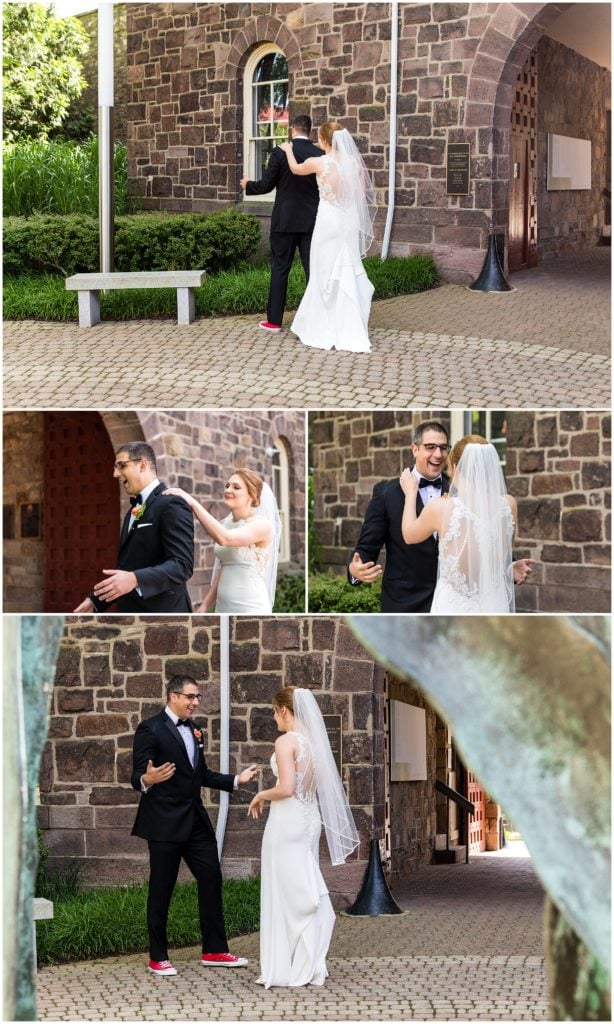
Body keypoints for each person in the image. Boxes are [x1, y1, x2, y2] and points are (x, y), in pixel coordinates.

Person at [131, 675, 260, 976]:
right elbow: (137, 775)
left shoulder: (197, 731)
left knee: (212, 878)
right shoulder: (150, 728)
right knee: (162, 888)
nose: (195, 702)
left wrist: (236, 780)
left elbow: (201, 775)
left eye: (197, 697)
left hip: (196, 822)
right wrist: (147, 779)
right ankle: (157, 956)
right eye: (190, 696)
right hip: (164, 823)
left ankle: (214, 950)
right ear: (173, 695)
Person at [348, 421, 534, 612]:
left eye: (443, 448)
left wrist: (508, 568)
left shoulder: (464, 492)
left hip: (452, 605)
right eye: (430, 447)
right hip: (406, 605)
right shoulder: (387, 493)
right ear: (415, 449)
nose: (438, 454)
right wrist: (355, 570)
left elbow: (485, 544)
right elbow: (367, 546)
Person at [248, 686, 359, 989]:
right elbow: (308, 788)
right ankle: (308, 960)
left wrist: (260, 793)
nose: (273, 718)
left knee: (286, 892)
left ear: (285, 710)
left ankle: (290, 966)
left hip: (286, 821)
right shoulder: (314, 743)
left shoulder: (286, 741)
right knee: (303, 886)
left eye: (274, 711)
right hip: (309, 820)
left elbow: (286, 788)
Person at [280, 121, 375, 352]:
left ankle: (321, 324)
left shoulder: (318, 163)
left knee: (322, 269)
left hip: (328, 222)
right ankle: (348, 323)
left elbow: (295, 169)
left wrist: (288, 150)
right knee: (345, 268)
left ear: (323, 140)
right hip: (347, 222)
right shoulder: (353, 164)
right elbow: (360, 196)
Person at [400, 435, 517, 612]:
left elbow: (409, 535)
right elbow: (497, 555)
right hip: (494, 604)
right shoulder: (509, 504)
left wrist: (410, 494)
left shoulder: (442, 508)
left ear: (455, 468)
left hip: (454, 607)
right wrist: (511, 568)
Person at [73, 442, 194, 613]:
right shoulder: (132, 512)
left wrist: (135, 579)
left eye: (121, 466)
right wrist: (96, 600)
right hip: (131, 617)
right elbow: (129, 567)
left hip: (164, 616)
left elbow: (182, 565)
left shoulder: (172, 504)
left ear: (142, 465)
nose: (115, 474)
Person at [240, 114, 323, 332]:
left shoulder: (280, 152)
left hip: (284, 221)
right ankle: (316, 320)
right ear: (310, 131)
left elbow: (266, 185)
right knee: (313, 270)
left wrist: (248, 184)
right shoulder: (320, 154)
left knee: (280, 269)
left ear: (292, 130)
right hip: (312, 221)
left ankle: (274, 321)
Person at [164, 469, 280, 613]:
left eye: (236, 487)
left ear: (252, 495)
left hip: (250, 605)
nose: (228, 490)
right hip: (223, 606)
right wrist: (205, 604)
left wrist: (192, 502)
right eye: (227, 486)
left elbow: (225, 538)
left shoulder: (262, 526)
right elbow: (224, 569)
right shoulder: (224, 523)